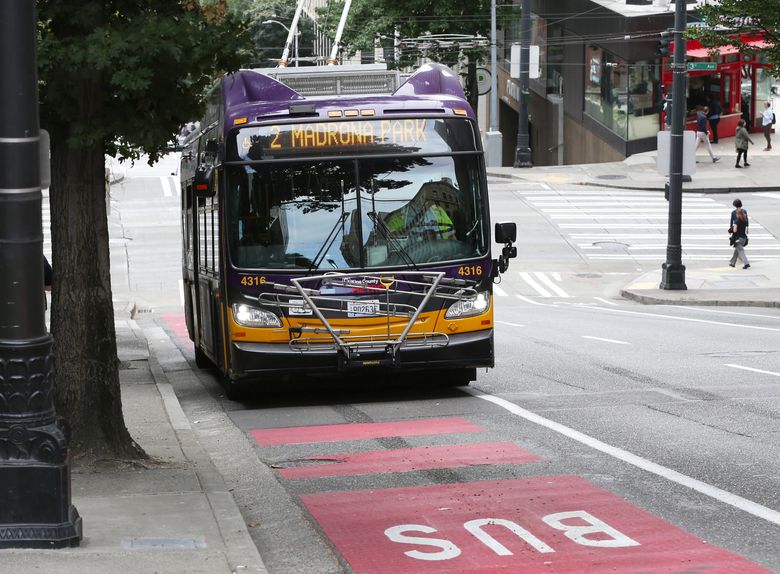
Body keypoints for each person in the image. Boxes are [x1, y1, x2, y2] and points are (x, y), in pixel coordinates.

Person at [729, 199, 750, 269]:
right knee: (737, 249)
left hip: (738, 237)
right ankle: (732, 263)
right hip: (743, 236)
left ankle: (746, 263)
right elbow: (747, 221)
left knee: (740, 250)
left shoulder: (735, 216)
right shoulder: (744, 214)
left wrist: (732, 228)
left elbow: (732, 224)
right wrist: (747, 228)